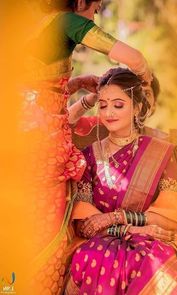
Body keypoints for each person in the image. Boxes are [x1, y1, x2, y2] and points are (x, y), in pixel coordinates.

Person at [22, 1, 152, 294]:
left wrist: (82, 91)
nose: (94, 15)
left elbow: (42, 102)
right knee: (45, 236)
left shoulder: (29, 29)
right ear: (80, 1)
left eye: (119, 105)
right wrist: (145, 78)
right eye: (96, 7)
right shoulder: (64, 21)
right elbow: (133, 57)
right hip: (41, 156)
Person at [64, 68, 177, 294]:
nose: (109, 112)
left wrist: (116, 216)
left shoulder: (162, 153)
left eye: (118, 105)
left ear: (137, 108)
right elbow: (85, 225)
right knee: (92, 256)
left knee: (154, 261)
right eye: (103, 105)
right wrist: (129, 230)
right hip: (100, 241)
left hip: (151, 240)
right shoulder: (89, 156)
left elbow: (173, 220)